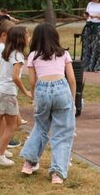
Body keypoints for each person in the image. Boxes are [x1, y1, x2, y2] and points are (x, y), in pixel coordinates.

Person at [20, 23, 77, 184]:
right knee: (62, 132)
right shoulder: (64, 54)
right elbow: (71, 79)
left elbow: (32, 82)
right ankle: (57, 173)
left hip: (42, 90)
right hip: (62, 88)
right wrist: (72, 101)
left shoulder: (33, 56)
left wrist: (35, 98)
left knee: (40, 127)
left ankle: (29, 163)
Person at [0, 26, 31, 166]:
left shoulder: (6, 52)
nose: (29, 38)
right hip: (7, 92)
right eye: (28, 35)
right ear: (21, 39)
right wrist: (26, 91)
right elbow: (15, 77)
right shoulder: (18, 56)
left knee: (7, 121)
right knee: (12, 125)